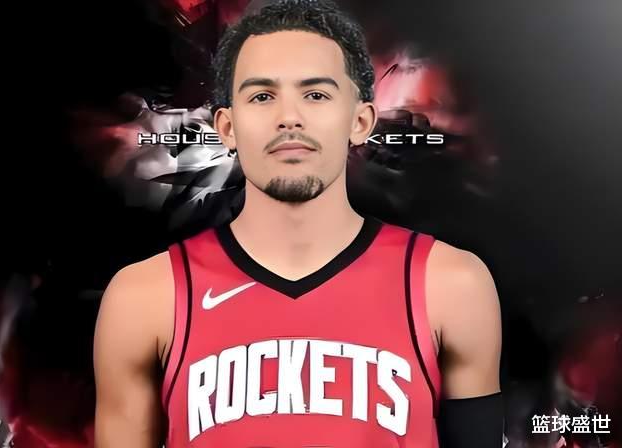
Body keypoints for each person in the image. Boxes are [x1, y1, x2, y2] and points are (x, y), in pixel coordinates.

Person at [93, 1, 503, 447]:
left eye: (316, 94)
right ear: (226, 127)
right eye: (262, 96)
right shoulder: (144, 299)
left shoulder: (451, 286)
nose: (289, 117)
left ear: (360, 121)